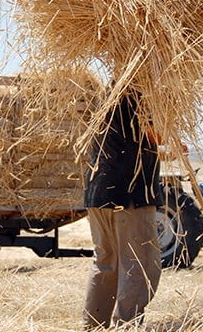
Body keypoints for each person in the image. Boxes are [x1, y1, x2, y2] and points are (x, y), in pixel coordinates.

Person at [82, 91, 163, 329]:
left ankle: (93, 325)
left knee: (106, 263)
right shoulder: (141, 95)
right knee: (139, 263)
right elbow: (153, 135)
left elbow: (129, 142)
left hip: (98, 193)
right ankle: (126, 325)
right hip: (129, 195)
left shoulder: (107, 97)